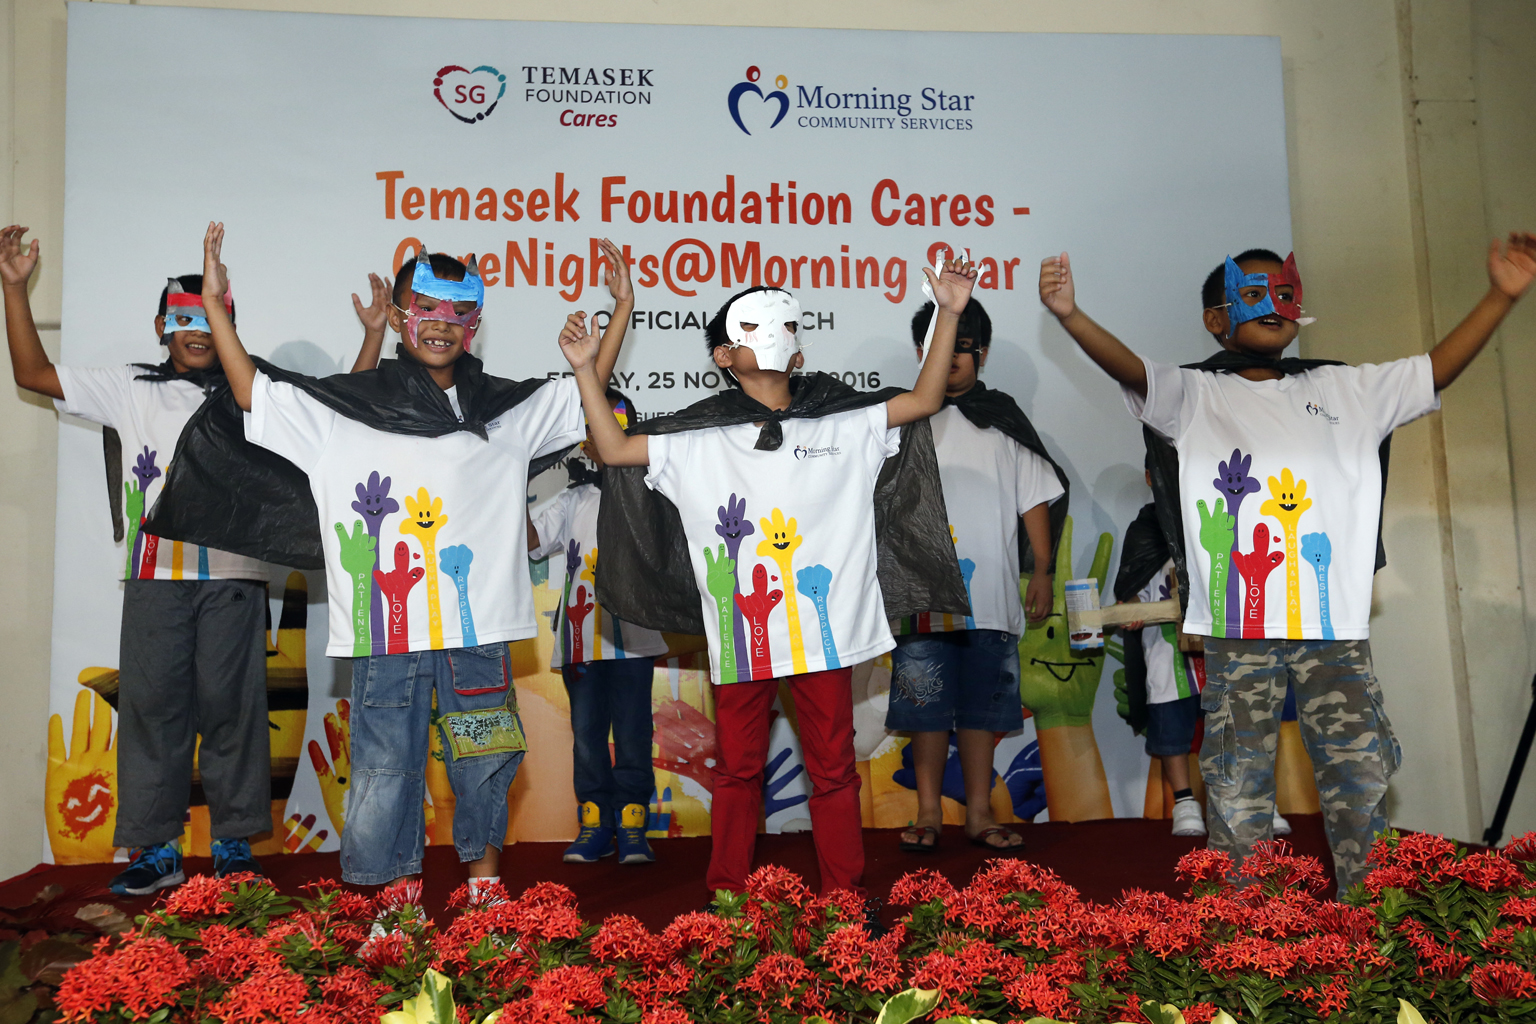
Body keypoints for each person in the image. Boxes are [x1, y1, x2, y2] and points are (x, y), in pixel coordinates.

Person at [1041, 234, 1536, 892]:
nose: (1271, 303)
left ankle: (1370, 917)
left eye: (1283, 292)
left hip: (1334, 631)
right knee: (1239, 775)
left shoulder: (1348, 387)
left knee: (1357, 774)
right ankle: (1248, 922)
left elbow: (1434, 369)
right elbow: (1132, 370)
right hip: (1239, 628)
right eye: (1250, 294)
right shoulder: (1193, 395)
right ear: (1217, 319)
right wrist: (1072, 315)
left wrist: (1501, 296)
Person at [169, 222, 635, 892]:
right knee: (386, 772)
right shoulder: (345, 409)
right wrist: (214, 306)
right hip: (387, 633)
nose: (442, 325)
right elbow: (253, 395)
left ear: (475, 323)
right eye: (427, 310)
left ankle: (485, 891)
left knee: (485, 762)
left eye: (460, 313)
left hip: (480, 631)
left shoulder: (508, 409)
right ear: (397, 316)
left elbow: (583, 391)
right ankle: (396, 905)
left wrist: (620, 312)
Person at [572, 260, 979, 911]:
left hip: (825, 634)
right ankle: (729, 901)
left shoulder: (843, 420)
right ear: (724, 354)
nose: (778, 333)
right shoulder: (699, 435)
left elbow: (925, 401)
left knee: (834, 772)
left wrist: (950, 310)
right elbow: (616, 450)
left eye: (787, 323)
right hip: (743, 637)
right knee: (737, 772)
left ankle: (844, 901)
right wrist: (586, 370)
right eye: (759, 325)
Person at [0, 224, 388, 894]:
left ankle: (235, 843)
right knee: (152, 711)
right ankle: (155, 848)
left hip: (233, 579)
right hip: (154, 578)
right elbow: (32, 374)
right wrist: (14, 289)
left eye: (210, 316)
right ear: (162, 326)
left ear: (226, 323)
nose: (198, 331)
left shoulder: (251, 395)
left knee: (234, 710)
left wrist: (376, 335)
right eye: (183, 318)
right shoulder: (132, 388)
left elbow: (334, 412)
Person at [888, 297, 1066, 855]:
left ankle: (980, 813)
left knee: (982, 711)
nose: (956, 358)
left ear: (981, 354)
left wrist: (1043, 570)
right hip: (922, 596)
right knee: (926, 710)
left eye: (967, 347)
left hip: (990, 597)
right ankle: (926, 813)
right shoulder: (900, 419)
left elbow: (1033, 499)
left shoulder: (1003, 419)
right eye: (944, 345)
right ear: (924, 351)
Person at [528, 387, 668, 865]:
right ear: (583, 440)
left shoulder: (651, 495)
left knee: (632, 734)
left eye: (615, 425)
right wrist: (504, 483)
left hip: (635, 642)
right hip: (579, 644)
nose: (604, 437)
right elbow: (532, 542)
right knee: (588, 738)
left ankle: (632, 827)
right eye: (592, 428)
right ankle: (593, 825)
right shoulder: (571, 499)